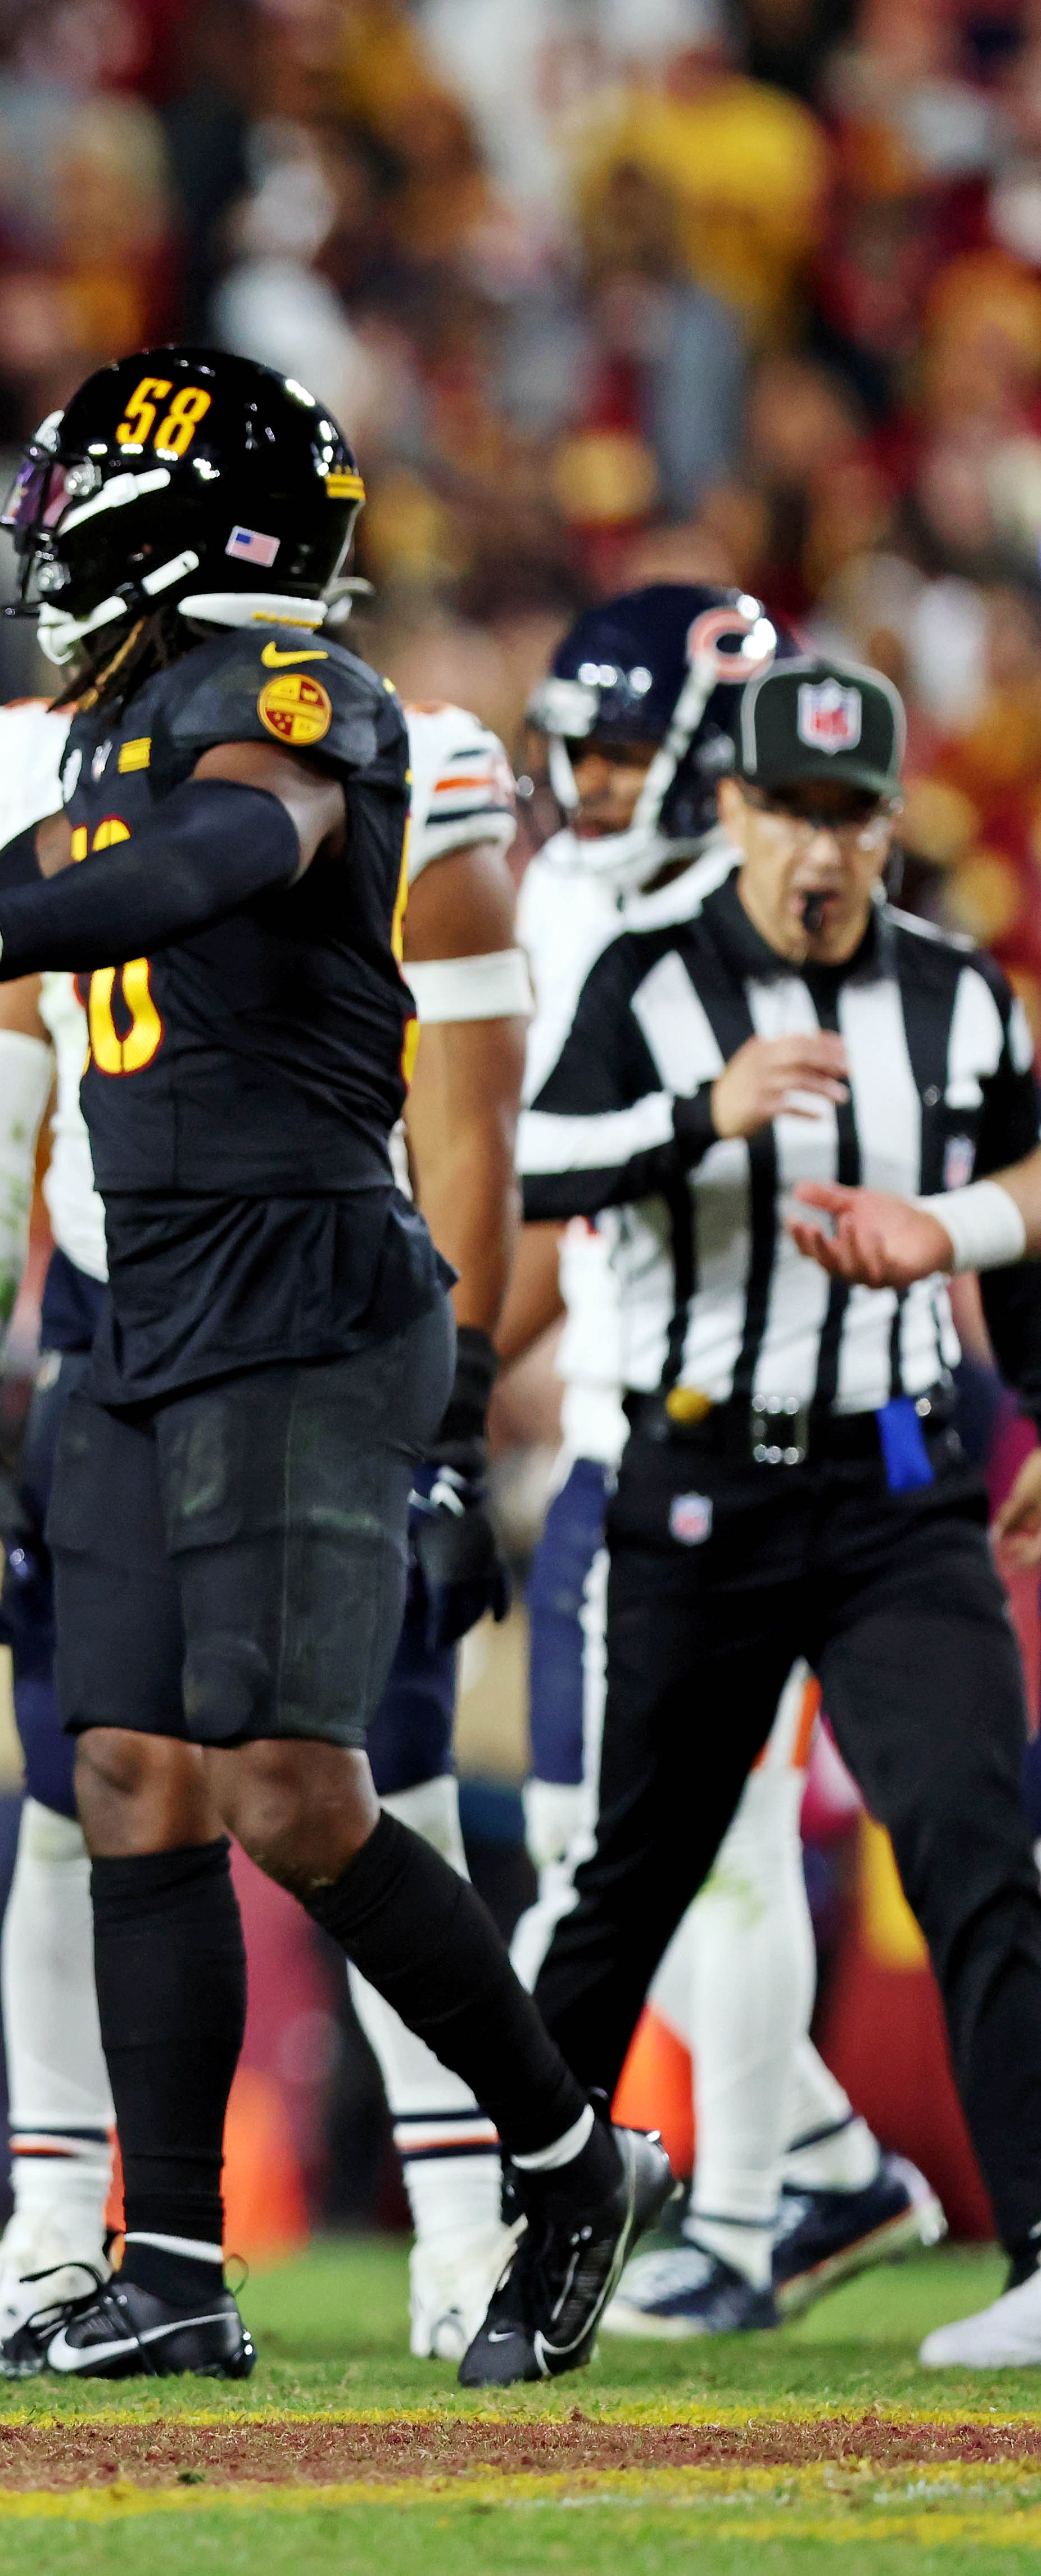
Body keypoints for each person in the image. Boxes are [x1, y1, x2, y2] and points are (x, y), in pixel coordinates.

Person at [0, 347, 669, 2388]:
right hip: (139, 1303)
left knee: (296, 1791)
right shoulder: (97, 736)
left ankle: (571, 2154)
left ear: (190, 532)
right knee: (130, 1776)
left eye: (85, 499)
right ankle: (171, 2268)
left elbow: (218, 860)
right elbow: (14, 922)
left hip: (306, 1284)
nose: (49, 535)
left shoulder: (299, 691)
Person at [0, 680, 535, 2364]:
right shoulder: (30, 747)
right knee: (87, 1779)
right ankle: (73, 2231)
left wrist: (458, 1409)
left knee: (352, 1774)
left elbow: (463, 1116)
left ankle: (479, 2222)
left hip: (303, 1305)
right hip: (114, 1318)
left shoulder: (371, 746)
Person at [536, 653, 1041, 2371]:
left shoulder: (959, 997)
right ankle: (531, 2253)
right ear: (732, 811)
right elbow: (528, 1161)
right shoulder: (645, 977)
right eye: (787, 808)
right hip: (695, 1486)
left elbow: (1026, 1181)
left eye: (849, 812)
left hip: (896, 1485)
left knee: (976, 1842)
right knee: (631, 1875)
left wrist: (1023, 1381)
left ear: (890, 825)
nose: (818, 847)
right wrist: (703, 1113)